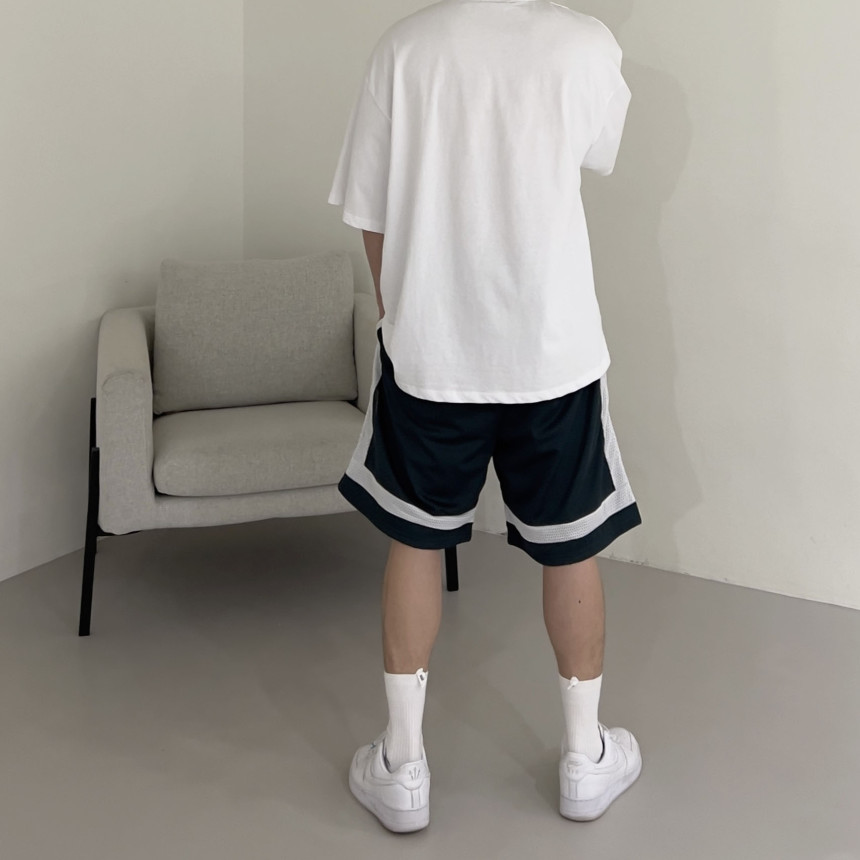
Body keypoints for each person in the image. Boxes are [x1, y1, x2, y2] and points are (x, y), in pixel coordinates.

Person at [327, 0, 642, 833]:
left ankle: (403, 768)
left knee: (416, 539)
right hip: (551, 349)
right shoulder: (586, 44)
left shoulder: (403, 49)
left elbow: (369, 214)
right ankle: (584, 760)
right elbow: (598, 149)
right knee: (570, 544)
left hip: (434, 349)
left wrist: (402, 315)